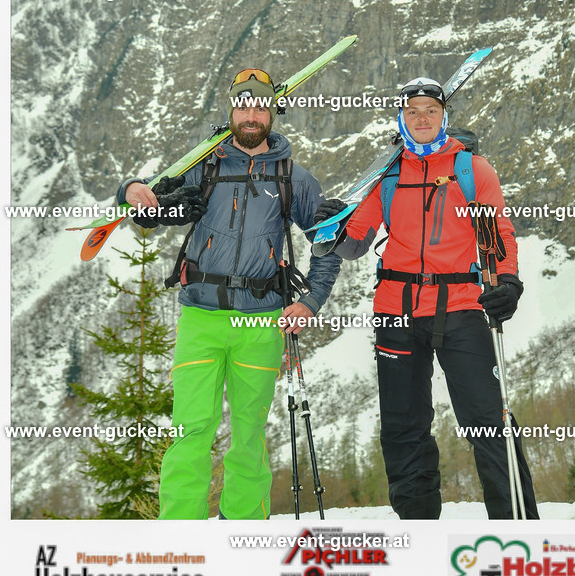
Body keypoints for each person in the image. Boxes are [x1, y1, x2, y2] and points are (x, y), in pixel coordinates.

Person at [117, 68, 341, 520]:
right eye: (243, 105)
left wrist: (310, 300)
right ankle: (181, 535)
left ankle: (245, 534)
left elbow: (328, 240)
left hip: (261, 320)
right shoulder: (204, 165)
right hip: (200, 316)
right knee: (190, 429)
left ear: (273, 111)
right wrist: (129, 191)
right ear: (232, 110)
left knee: (249, 431)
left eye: (260, 105)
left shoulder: (294, 178)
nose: (251, 114)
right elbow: (146, 206)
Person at [314, 76, 539, 520]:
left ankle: (517, 530)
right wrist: (332, 228)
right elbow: (356, 241)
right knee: (403, 426)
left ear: (443, 118)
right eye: (413, 110)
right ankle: (417, 530)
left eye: (431, 111)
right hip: (395, 309)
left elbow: (497, 233)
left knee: (487, 421)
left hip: (461, 306)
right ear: (402, 117)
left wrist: (508, 282)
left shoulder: (471, 170)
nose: (422, 118)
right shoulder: (388, 174)